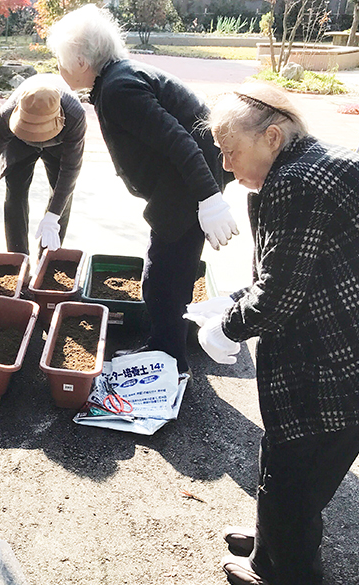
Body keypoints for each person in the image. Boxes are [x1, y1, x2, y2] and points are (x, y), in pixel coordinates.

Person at [189, 82, 359, 585]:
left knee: (294, 466)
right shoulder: (322, 164)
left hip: (343, 355)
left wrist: (224, 328)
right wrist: (232, 306)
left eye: (230, 150)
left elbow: (279, 294)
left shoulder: (296, 184)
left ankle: (287, 577)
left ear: (272, 136)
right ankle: (275, 542)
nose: (225, 165)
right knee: (302, 465)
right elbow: (292, 271)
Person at [47, 4, 237, 374]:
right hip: (181, 185)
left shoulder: (119, 88)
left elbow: (180, 142)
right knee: (168, 273)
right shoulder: (118, 79)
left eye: (61, 60)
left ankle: (169, 361)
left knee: (165, 278)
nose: (59, 68)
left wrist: (209, 199)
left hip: (187, 186)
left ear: (82, 61)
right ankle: (164, 349)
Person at [0, 73, 86, 255]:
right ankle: (18, 257)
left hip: (59, 145)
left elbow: (70, 170)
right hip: (19, 142)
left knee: (61, 197)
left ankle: (48, 257)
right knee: (15, 190)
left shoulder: (75, 116)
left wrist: (53, 217)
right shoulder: (8, 113)